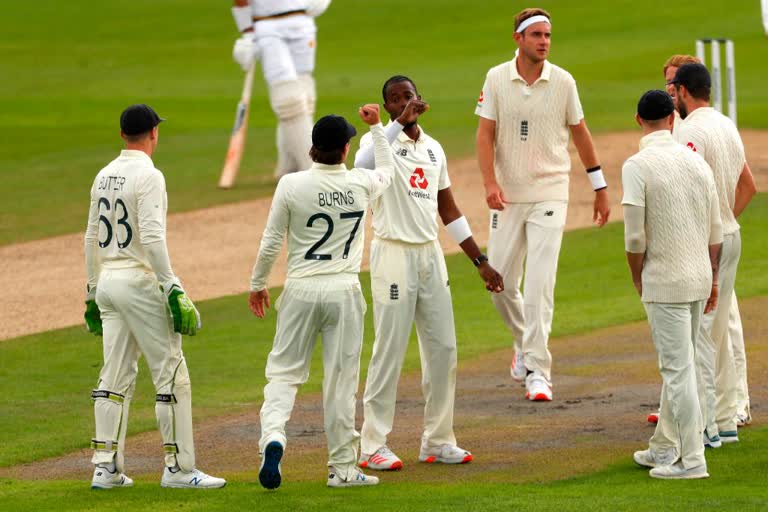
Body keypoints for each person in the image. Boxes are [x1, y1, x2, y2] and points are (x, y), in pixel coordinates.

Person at [353, 76, 504, 471]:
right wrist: (396, 124)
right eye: (395, 100)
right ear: (387, 107)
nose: (404, 103)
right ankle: (372, 445)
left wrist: (479, 261)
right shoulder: (377, 142)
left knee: (444, 349)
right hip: (393, 253)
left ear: (420, 97)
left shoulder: (433, 149)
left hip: (430, 256)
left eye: (409, 96)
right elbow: (361, 167)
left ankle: (437, 440)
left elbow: (448, 210)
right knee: (389, 347)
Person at [249, 107, 395, 489]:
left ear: (313, 148)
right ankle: (343, 468)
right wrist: (377, 127)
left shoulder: (291, 184)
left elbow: (269, 243)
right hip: (343, 291)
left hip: (299, 288)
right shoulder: (362, 182)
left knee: (283, 373)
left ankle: (274, 438)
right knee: (341, 381)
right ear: (346, 149)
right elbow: (390, 170)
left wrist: (257, 283)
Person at [84, 105, 226, 489]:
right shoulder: (149, 175)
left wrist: (92, 290)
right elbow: (151, 237)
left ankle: (105, 468)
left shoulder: (104, 175)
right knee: (171, 372)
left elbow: (90, 237)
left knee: (114, 374)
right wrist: (172, 285)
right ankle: (179, 469)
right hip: (138, 281)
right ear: (153, 134)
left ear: (122, 135)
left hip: (109, 283)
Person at [475, 8, 610, 402]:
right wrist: (489, 182)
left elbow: (581, 133)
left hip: (551, 191)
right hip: (508, 196)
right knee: (499, 284)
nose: (544, 41)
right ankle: (524, 343)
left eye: (548, 35)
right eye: (536, 35)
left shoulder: (564, 81)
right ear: (518, 38)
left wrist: (599, 187)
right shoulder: (496, 78)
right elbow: (485, 136)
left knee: (539, 284)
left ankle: (538, 369)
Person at [647, 55, 753, 428]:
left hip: (706, 243)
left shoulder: (691, 131)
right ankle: (725, 420)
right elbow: (748, 187)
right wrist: (724, 220)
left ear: (685, 92)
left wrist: (706, 234)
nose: (670, 95)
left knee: (702, 338)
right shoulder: (727, 124)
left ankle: (703, 426)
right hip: (729, 236)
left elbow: (688, 192)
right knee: (717, 332)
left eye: (674, 89)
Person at [623, 90, 722, 480]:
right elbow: (716, 231)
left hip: (665, 281)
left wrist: (637, 275)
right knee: (681, 367)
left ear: (638, 120)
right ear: (671, 119)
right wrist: (713, 278)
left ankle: (692, 461)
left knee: (677, 370)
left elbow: (634, 238)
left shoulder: (637, 165)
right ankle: (664, 447)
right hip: (698, 276)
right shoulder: (696, 162)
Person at [231, 0, 331, 178]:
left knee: (305, 95)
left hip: (303, 22)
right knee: (288, 100)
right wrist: (247, 32)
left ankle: (288, 167)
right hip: (268, 27)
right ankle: (314, 169)